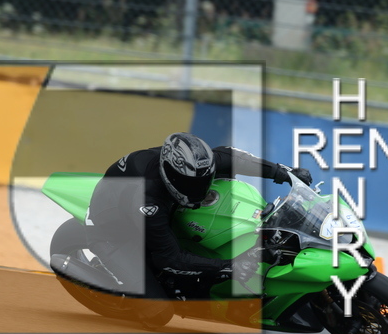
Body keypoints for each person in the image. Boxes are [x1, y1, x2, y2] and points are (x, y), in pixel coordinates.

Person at [85, 132, 312, 324]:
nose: (199, 189)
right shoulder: (148, 199)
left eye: (204, 180)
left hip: (148, 208)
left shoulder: (196, 165)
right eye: (190, 184)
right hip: (113, 229)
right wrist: (231, 267)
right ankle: (112, 282)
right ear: (169, 175)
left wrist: (286, 173)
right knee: (156, 314)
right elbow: (169, 259)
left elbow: (236, 158)